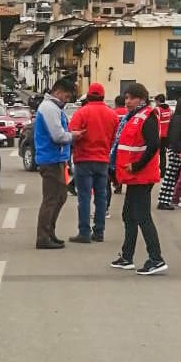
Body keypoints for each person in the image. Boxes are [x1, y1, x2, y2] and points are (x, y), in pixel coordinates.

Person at [111, 82, 167, 275]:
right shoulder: (134, 116)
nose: (127, 102)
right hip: (134, 176)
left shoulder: (147, 117)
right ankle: (127, 256)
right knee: (129, 214)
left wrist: (137, 166)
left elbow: (153, 145)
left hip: (142, 175)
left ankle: (156, 258)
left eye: (130, 98)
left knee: (142, 216)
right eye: (126, 98)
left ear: (141, 99)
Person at [34, 77, 84, 249]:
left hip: (56, 159)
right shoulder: (50, 109)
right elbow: (58, 136)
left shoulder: (54, 108)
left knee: (60, 197)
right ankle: (43, 237)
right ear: (58, 92)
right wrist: (74, 136)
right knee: (52, 199)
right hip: (51, 159)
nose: (67, 99)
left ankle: (49, 233)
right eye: (67, 96)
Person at [68, 83, 118, 243]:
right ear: (103, 96)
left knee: (84, 197)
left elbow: (72, 135)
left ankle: (84, 232)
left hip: (83, 159)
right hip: (102, 160)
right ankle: (99, 231)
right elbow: (113, 138)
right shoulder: (112, 115)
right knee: (101, 197)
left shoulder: (81, 113)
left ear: (88, 96)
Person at [112, 95, 128, 194]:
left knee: (114, 163)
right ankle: (122, 182)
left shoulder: (113, 112)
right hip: (126, 141)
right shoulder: (128, 113)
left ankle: (117, 183)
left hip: (115, 141)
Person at [155, 94, 172, 177]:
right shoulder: (169, 109)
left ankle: (157, 171)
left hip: (160, 135)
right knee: (163, 154)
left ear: (158, 101)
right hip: (167, 135)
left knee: (156, 154)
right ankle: (163, 170)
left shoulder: (157, 109)